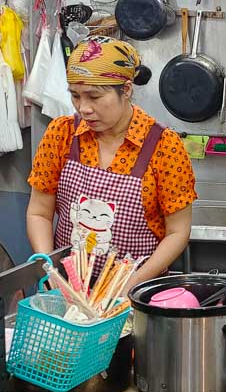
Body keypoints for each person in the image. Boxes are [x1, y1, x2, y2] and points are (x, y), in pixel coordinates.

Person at [26, 36, 196, 283]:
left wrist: (130, 284)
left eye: (94, 97)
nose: (83, 108)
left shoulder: (163, 146)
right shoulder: (61, 134)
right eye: (75, 95)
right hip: (66, 288)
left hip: (134, 293)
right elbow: (40, 213)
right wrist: (50, 270)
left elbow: (178, 232)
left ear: (126, 90)